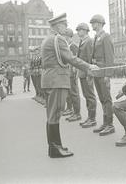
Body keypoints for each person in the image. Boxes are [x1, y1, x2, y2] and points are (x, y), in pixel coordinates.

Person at [41, 13, 99, 158]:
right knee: (55, 113)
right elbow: (71, 58)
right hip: (57, 80)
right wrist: (88, 66)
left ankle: (55, 146)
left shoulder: (48, 39)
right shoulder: (58, 39)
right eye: (65, 25)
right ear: (58, 26)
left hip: (50, 79)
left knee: (51, 114)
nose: (66, 28)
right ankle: (55, 148)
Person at [90, 14, 115, 136]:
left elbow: (109, 56)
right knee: (102, 99)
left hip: (103, 72)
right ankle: (105, 123)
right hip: (97, 72)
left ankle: (110, 125)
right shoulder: (96, 37)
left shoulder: (105, 37)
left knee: (107, 99)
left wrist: (108, 74)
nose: (92, 25)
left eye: (93, 23)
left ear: (99, 23)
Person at [76, 23, 97, 128]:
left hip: (87, 72)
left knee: (90, 96)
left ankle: (92, 119)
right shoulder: (82, 41)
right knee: (86, 95)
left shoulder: (88, 41)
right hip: (82, 72)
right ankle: (89, 117)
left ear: (85, 30)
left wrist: (89, 73)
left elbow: (89, 58)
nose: (78, 32)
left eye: (79, 30)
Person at [63, 28, 82, 122]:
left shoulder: (73, 46)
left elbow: (75, 60)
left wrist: (75, 72)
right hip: (68, 73)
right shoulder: (68, 46)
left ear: (69, 37)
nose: (64, 38)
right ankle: (72, 110)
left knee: (74, 93)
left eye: (65, 36)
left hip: (72, 73)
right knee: (70, 93)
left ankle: (77, 113)